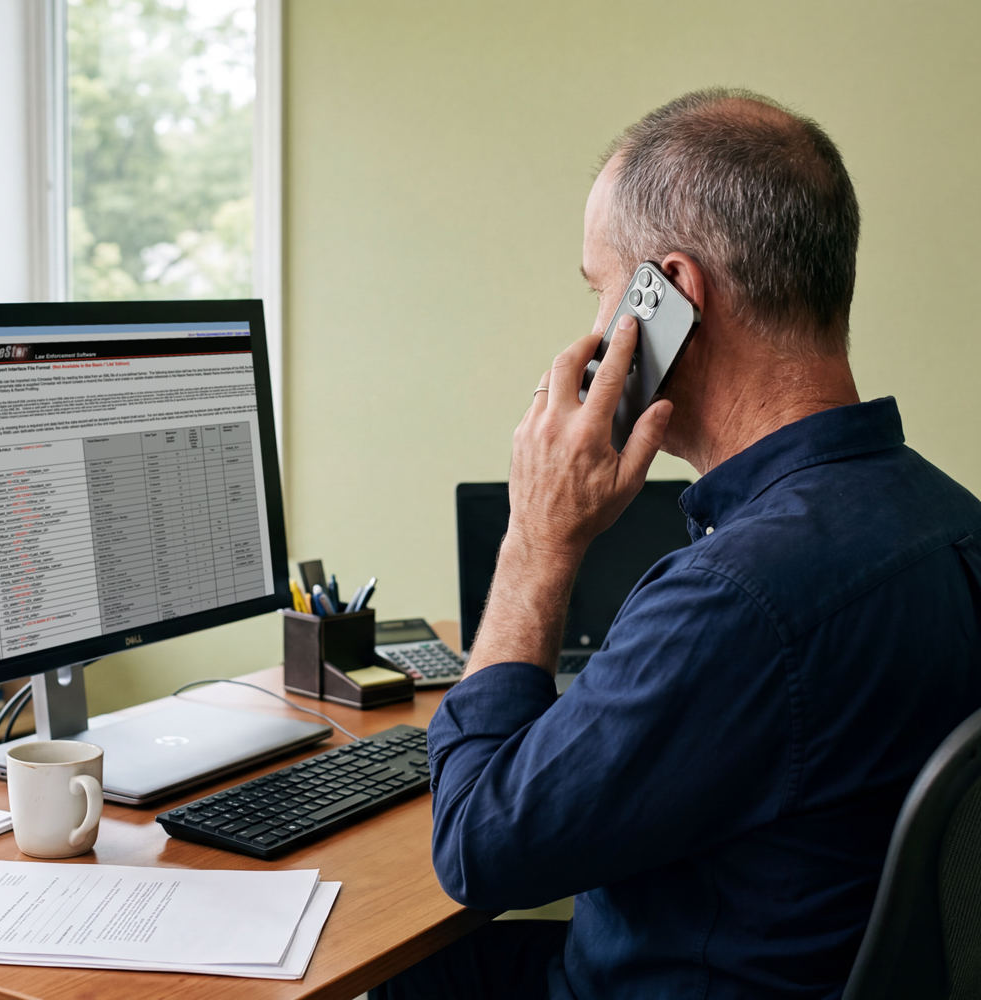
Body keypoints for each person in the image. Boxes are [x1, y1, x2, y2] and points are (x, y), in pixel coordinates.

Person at [371, 89, 981, 999]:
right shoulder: (952, 516)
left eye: (601, 290)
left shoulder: (739, 597)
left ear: (673, 296)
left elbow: (476, 847)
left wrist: (536, 536)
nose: (595, 330)